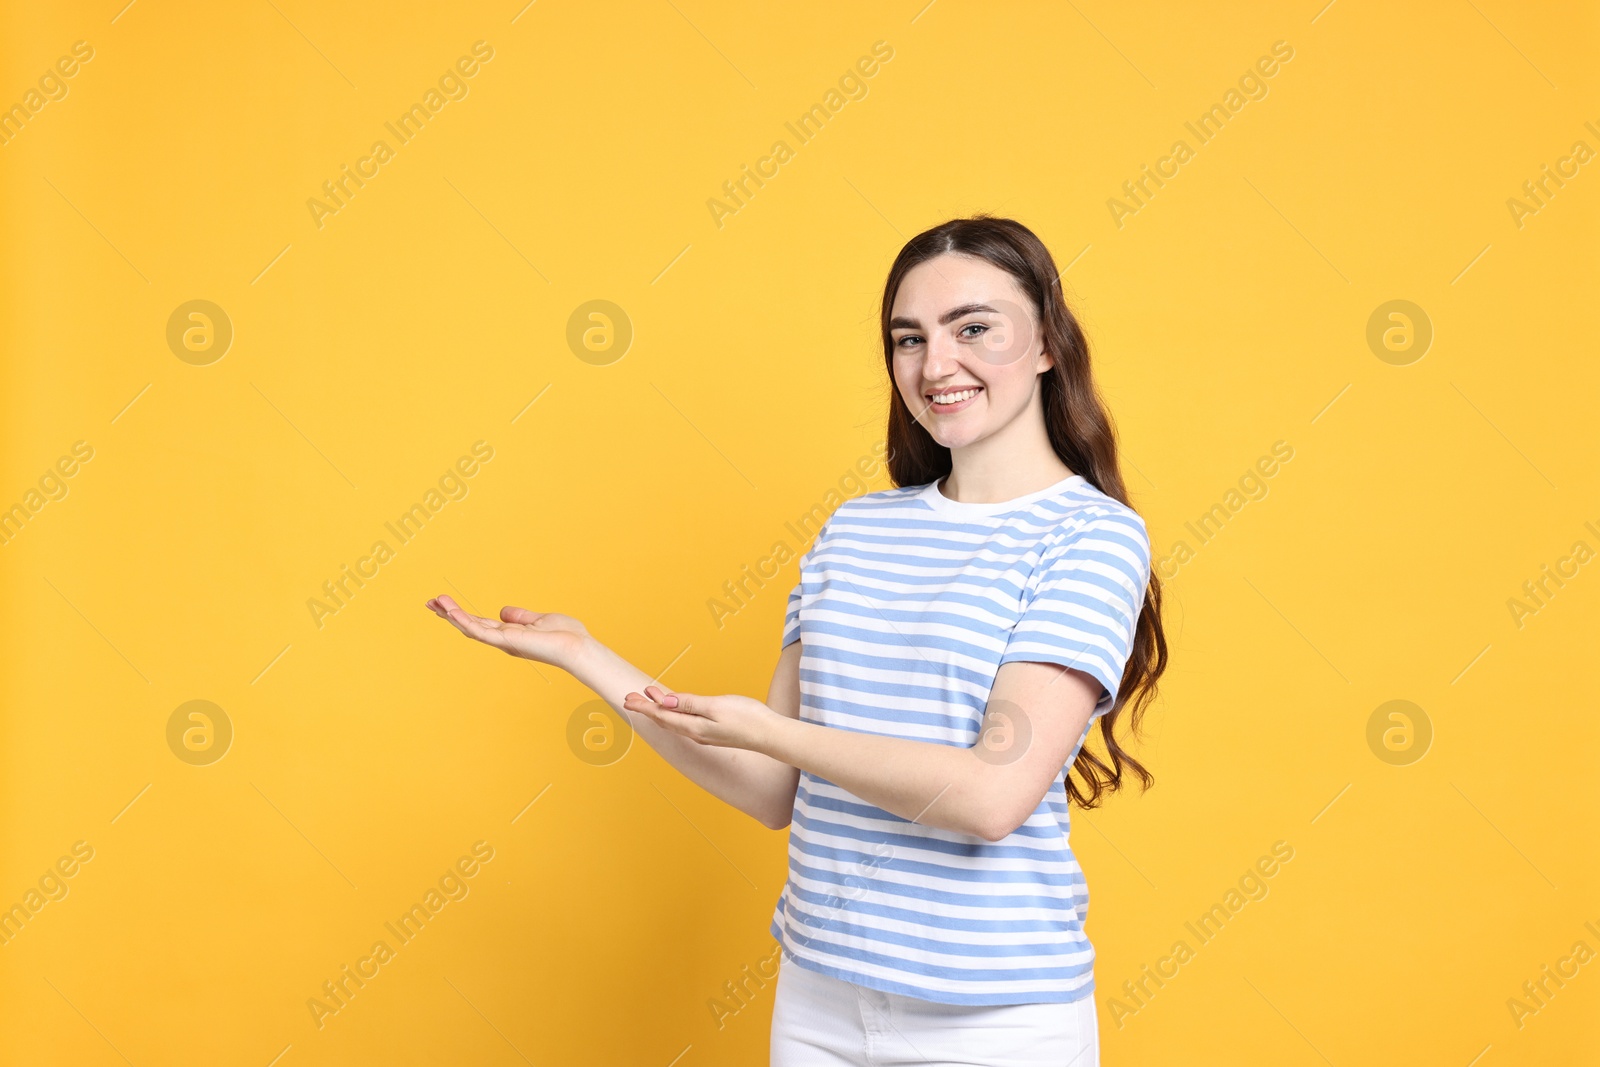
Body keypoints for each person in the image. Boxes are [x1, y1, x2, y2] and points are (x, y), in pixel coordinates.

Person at [426, 214, 1168, 1066]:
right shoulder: (853, 532)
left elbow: (990, 797)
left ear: (1045, 342)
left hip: (993, 1021)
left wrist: (776, 730)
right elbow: (771, 784)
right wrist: (585, 655)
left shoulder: (1089, 536)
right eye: (908, 338)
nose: (935, 366)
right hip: (820, 1001)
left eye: (974, 329)